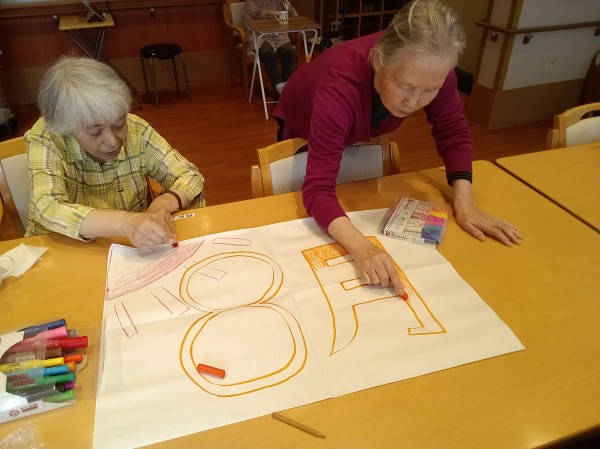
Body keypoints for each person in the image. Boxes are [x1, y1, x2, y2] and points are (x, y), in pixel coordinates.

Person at [274, 0, 523, 296]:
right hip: (302, 115)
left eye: (430, 90)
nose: (414, 102)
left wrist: (465, 205)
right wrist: (363, 248)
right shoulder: (340, 83)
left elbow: (453, 131)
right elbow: (317, 189)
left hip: (350, 115)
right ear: (380, 61)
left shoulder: (433, 69)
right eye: (405, 86)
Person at [25, 56, 205, 252]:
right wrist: (125, 223)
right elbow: (47, 206)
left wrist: (163, 203)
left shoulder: (137, 130)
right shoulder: (47, 137)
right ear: (66, 127)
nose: (113, 141)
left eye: (119, 125)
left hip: (127, 249)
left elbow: (190, 175)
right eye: (95, 132)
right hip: (63, 251)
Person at [244, 0, 298, 96]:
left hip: (278, 34)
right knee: (267, 53)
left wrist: (285, 4)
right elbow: (256, 13)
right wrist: (275, 13)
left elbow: (293, 15)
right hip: (257, 34)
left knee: (289, 51)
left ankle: (287, 86)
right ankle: (280, 87)